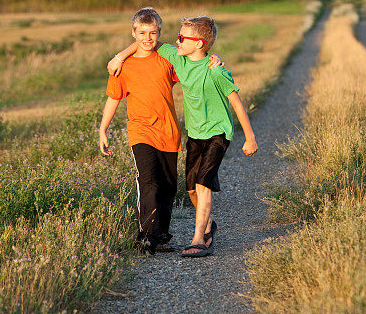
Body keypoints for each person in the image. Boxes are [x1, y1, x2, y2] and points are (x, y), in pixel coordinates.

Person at [109, 15, 258, 258]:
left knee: (203, 183)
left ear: (199, 43)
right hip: (195, 134)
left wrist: (250, 138)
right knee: (191, 189)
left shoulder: (216, 71)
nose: (176, 41)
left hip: (218, 133)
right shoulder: (179, 61)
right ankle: (208, 224)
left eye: (181, 38)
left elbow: (237, 104)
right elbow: (147, 41)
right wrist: (119, 57)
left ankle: (200, 239)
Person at [99, 8, 222, 254]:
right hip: (140, 131)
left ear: (159, 33)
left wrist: (213, 59)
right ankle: (146, 236)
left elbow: (194, 62)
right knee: (149, 181)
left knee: (167, 185)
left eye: (153, 33)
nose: (147, 38)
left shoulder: (167, 59)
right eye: (142, 32)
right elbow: (113, 98)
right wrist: (103, 129)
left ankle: (162, 235)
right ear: (133, 33)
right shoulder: (123, 66)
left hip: (168, 133)